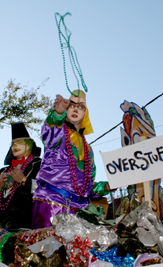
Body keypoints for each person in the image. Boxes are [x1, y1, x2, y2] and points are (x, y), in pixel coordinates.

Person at [32, 90, 110, 229]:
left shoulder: (88, 150)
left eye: (81, 106)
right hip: (52, 205)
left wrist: (105, 187)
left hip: (78, 212)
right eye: (72, 104)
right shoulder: (59, 132)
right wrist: (57, 114)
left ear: (85, 113)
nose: (75, 108)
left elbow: (88, 186)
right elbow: (49, 133)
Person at [0, 122, 41, 231]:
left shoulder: (38, 164)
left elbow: (45, 190)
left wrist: (24, 180)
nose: (14, 146)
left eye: (18, 143)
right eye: (12, 144)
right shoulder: (4, 170)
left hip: (24, 226)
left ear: (28, 145)